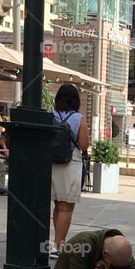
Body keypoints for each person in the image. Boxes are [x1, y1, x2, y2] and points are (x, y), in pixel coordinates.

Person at [49, 83, 90, 259]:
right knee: (67, 208)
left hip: (52, 163)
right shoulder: (79, 118)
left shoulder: (51, 115)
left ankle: (55, 244)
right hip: (70, 162)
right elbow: (84, 145)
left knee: (58, 205)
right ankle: (58, 246)